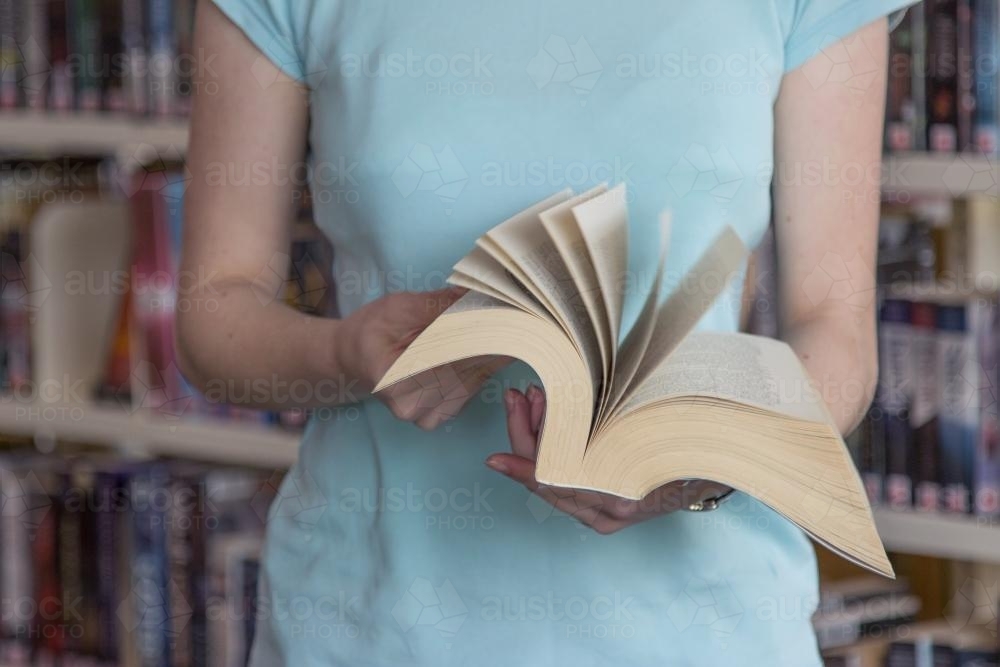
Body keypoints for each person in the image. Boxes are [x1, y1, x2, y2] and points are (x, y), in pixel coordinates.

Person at [176, 1, 916, 664]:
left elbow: (836, 337)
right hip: (369, 622)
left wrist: (701, 460)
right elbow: (215, 312)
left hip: (705, 629)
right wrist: (344, 354)